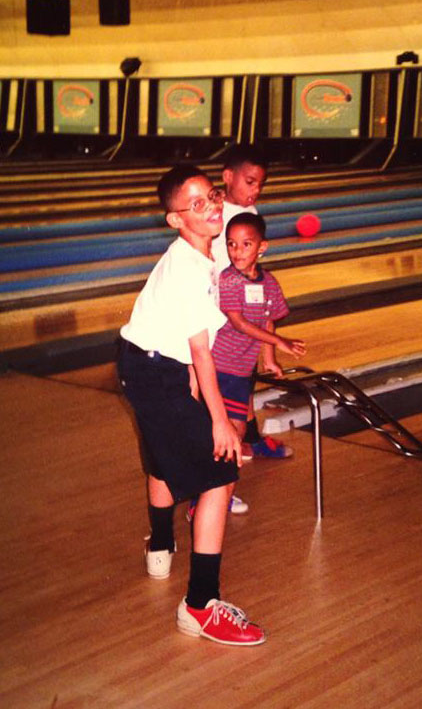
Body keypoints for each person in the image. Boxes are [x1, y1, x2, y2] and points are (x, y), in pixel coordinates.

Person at [117, 164, 265, 646]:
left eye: (213, 196)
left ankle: (160, 544)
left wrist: (197, 396)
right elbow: (200, 351)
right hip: (152, 369)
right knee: (222, 472)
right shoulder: (187, 265)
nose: (212, 207)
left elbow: (187, 349)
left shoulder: (202, 258)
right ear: (176, 219)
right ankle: (200, 605)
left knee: (163, 455)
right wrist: (221, 423)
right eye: (196, 203)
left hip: (149, 363)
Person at [214, 144, 295, 463]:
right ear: (228, 177)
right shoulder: (215, 213)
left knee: (241, 381)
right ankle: (228, 455)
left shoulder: (250, 215)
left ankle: (249, 438)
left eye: (261, 183)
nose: (256, 190)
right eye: (250, 181)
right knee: (225, 392)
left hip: (240, 315)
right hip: (217, 319)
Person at [211, 213, 306, 452]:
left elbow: (268, 321)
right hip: (219, 365)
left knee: (236, 432)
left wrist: (270, 359)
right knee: (232, 431)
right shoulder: (229, 279)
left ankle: (220, 484)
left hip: (242, 370)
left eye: (246, 244)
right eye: (231, 244)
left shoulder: (270, 283)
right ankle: (219, 486)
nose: (237, 251)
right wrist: (279, 341)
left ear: (261, 247)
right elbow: (238, 322)